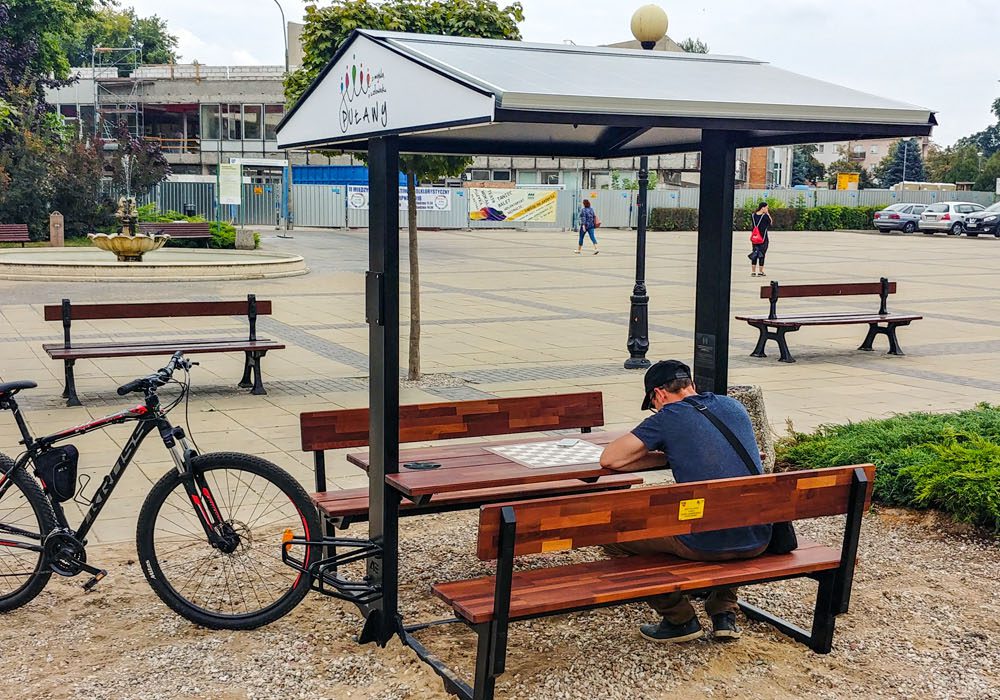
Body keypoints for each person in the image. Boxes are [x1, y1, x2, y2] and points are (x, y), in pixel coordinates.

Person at [599, 360, 771, 644]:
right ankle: (723, 611)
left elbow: (611, 458)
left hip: (705, 543)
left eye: (653, 403)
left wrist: (665, 454)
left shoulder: (669, 416)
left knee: (614, 537)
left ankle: (679, 618)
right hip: (760, 536)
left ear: (659, 394)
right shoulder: (733, 407)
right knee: (732, 513)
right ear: (691, 385)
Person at [748, 202, 771, 277]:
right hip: (763, 238)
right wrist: (768, 214)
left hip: (755, 237)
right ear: (763, 208)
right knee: (761, 254)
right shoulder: (765, 216)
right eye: (767, 208)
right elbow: (770, 222)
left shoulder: (753, 215)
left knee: (755, 252)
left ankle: (753, 271)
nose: (767, 209)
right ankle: (760, 271)